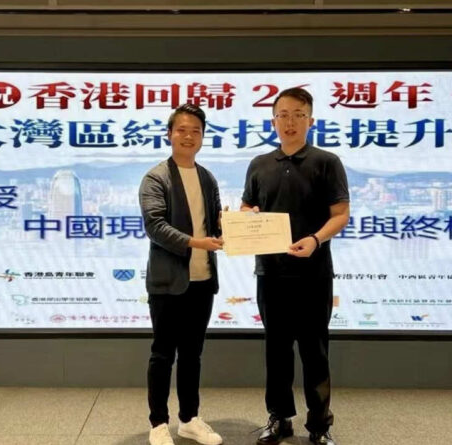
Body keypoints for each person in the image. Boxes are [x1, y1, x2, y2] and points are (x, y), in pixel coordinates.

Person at [241, 88, 350, 445]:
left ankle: (319, 425)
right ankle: (279, 418)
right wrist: (249, 217)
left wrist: (316, 240)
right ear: (273, 121)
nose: (290, 122)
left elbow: (341, 214)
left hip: (313, 274)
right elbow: (246, 208)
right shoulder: (259, 164)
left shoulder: (327, 162)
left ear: (311, 120)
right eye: (283, 115)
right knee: (276, 351)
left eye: (298, 115)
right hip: (270, 274)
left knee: (315, 352)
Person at [139, 103, 225, 445]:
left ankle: (189, 419)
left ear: (202, 137)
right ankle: (158, 423)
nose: (189, 137)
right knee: (162, 354)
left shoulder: (207, 177)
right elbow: (155, 226)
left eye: (196, 131)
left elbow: (215, 223)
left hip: (203, 279)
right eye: (182, 130)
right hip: (168, 282)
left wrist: (238, 224)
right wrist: (195, 242)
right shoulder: (156, 177)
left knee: (192, 355)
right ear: (170, 134)